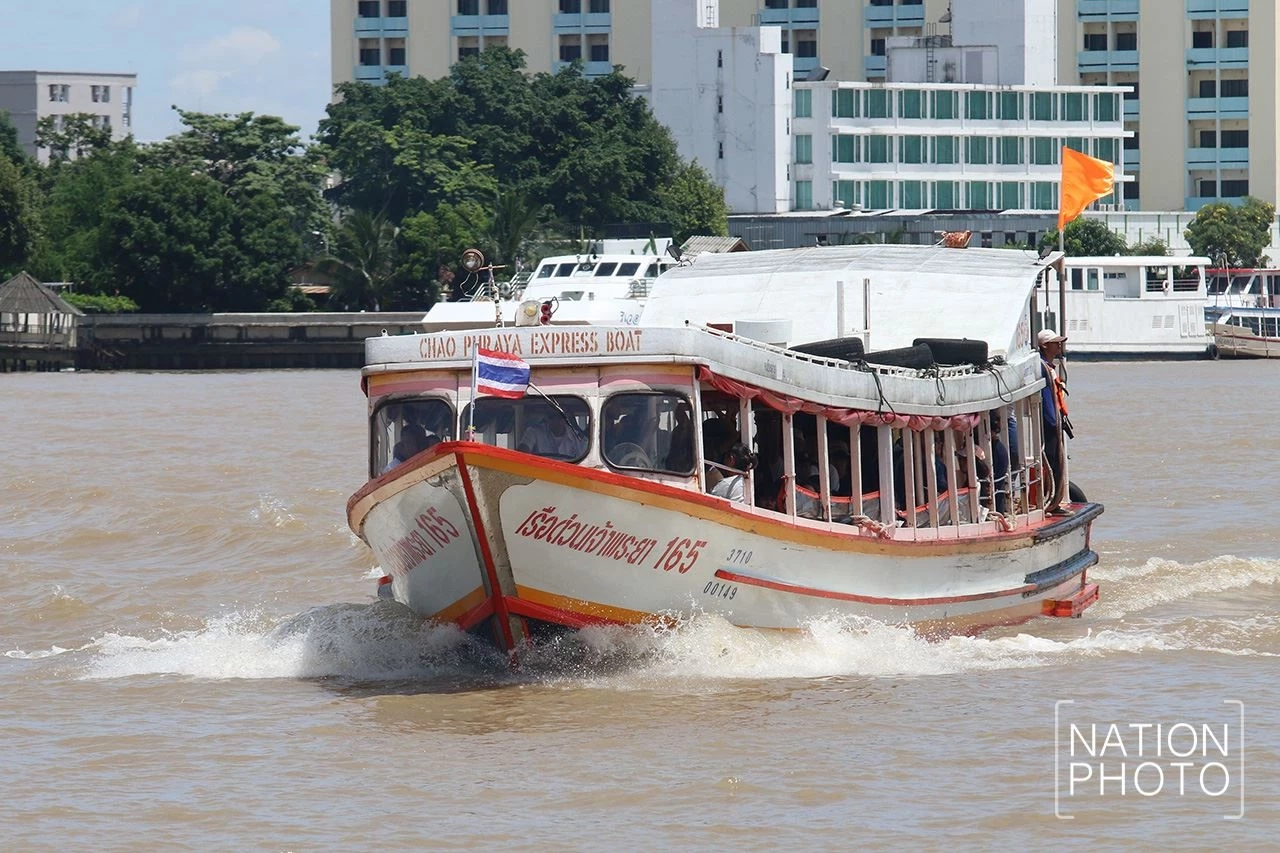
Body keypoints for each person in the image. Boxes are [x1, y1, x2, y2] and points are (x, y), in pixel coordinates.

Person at [1037, 329, 1072, 514]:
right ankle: (1051, 503)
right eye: (1055, 342)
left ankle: (1054, 502)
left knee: (1057, 463)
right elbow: (1046, 400)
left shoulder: (1049, 367)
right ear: (1044, 345)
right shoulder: (1043, 368)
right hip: (1050, 426)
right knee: (1053, 464)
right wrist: (1052, 424)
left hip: (1056, 424)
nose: (1059, 345)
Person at [519, 408, 587, 459]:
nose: (556, 420)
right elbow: (522, 453)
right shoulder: (534, 431)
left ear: (566, 419)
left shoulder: (579, 438)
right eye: (552, 416)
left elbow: (585, 462)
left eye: (560, 416)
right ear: (547, 419)